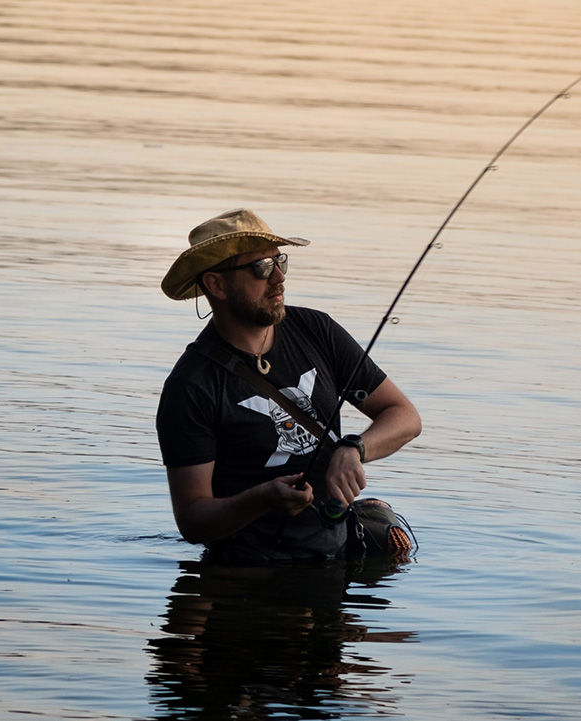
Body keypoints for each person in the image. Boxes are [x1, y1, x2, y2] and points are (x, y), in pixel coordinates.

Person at [156, 208, 421, 564]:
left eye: (279, 261)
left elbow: (403, 416)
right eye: (261, 268)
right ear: (216, 284)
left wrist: (353, 448)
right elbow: (192, 521)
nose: (279, 277)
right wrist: (260, 499)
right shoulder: (192, 385)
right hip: (249, 574)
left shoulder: (317, 330)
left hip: (336, 556)